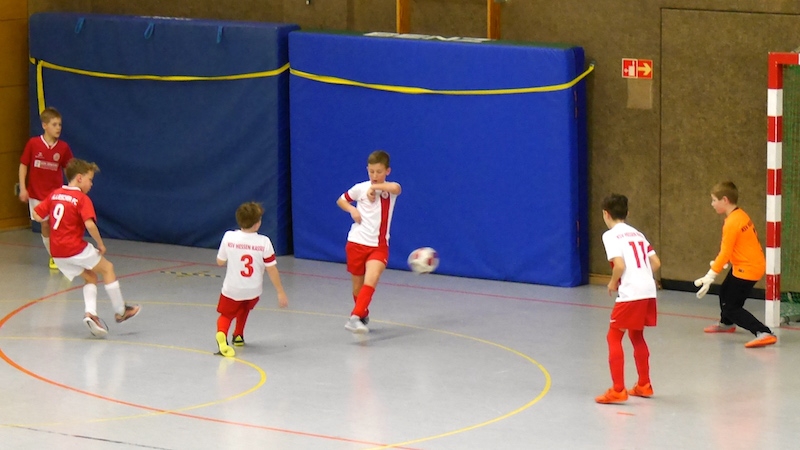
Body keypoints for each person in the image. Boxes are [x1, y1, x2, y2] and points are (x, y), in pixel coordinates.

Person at [32, 159, 140, 337]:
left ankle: (91, 314)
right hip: (74, 248)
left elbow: (37, 214)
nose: (91, 184)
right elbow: (89, 225)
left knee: (90, 276)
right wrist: (100, 244)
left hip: (57, 253)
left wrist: (50, 222)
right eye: (90, 179)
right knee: (108, 268)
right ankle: (121, 311)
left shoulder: (55, 194)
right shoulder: (82, 199)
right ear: (79, 178)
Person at [694, 181, 777, 348]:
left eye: (714, 200)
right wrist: (727, 261)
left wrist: (711, 275)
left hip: (748, 269)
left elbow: (724, 252)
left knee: (731, 307)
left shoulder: (732, 222)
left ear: (725, 200)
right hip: (747, 264)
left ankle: (764, 332)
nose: (712, 204)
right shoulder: (740, 215)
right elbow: (739, 246)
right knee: (724, 291)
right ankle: (726, 324)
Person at [596, 194, 661, 404]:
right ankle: (644, 384)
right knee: (636, 335)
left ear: (606, 214)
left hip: (631, 293)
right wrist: (641, 276)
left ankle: (618, 390)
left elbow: (620, 265)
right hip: (648, 290)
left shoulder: (610, 235)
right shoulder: (638, 234)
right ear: (627, 213)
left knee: (613, 337)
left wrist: (612, 282)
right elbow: (656, 263)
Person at [336, 150, 402, 334]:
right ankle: (362, 313)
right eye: (371, 171)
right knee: (357, 286)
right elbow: (341, 200)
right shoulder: (360, 188)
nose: (375, 175)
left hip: (379, 246)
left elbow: (396, 188)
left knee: (372, 278)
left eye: (379, 172)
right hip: (356, 243)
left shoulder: (390, 190)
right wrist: (352, 210)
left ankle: (354, 318)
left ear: (387, 171)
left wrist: (375, 188)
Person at [215, 202, 288, 357]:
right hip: (253, 289)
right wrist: (280, 291)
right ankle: (238, 335)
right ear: (257, 224)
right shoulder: (264, 242)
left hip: (232, 288)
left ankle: (222, 333)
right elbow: (271, 269)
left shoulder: (229, 237)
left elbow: (220, 262)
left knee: (226, 315)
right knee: (244, 308)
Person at [19, 107, 74, 269]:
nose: (58, 128)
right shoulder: (33, 143)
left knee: (57, 224)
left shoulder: (63, 147)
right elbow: (23, 165)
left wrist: (72, 189)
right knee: (45, 224)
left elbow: (68, 169)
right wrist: (23, 188)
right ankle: (53, 255)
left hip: (55, 194)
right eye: (54, 124)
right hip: (36, 193)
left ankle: (60, 254)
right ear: (44, 125)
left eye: (60, 125)